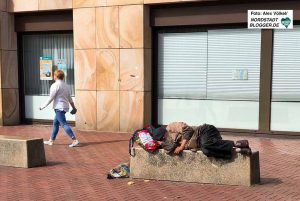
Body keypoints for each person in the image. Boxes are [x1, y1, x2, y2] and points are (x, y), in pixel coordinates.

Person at [157, 122, 252, 159]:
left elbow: (188, 130)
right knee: (207, 151)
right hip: (202, 143)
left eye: (164, 136)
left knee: (206, 144)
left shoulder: (171, 127)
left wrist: (182, 146)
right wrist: (161, 143)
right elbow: (172, 149)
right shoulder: (166, 142)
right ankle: (239, 150)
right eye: (162, 138)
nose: (165, 138)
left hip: (204, 131)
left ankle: (238, 143)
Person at [39, 70, 79, 147]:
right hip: (64, 107)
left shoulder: (55, 85)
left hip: (59, 108)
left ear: (56, 76)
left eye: (54, 75)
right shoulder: (66, 85)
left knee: (63, 124)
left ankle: (74, 140)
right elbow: (69, 98)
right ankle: (51, 140)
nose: (53, 76)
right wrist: (73, 107)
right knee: (55, 123)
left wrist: (42, 106)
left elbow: (51, 98)